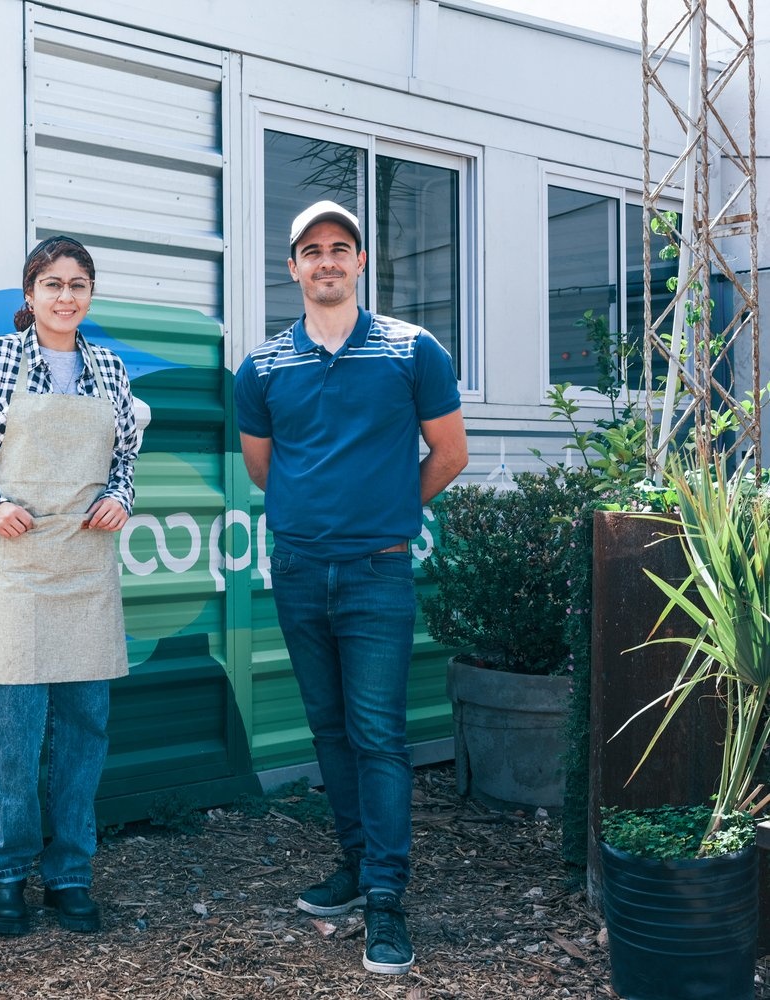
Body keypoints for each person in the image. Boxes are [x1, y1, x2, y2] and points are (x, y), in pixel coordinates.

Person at [233, 201, 468, 975]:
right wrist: (313, 521)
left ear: (361, 262)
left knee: (379, 736)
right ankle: (357, 866)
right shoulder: (263, 367)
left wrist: (391, 513)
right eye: (311, 250)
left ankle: (388, 900)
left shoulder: (412, 350)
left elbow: (449, 452)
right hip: (298, 569)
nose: (326, 260)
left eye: (341, 248)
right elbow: (263, 467)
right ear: (293, 268)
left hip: (377, 570)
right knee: (329, 731)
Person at [0, 235, 140, 937]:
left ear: (89, 294)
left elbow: (127, 456)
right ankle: (10, 875)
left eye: (78, 283)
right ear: (30, 294)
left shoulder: (108, 368)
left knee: (85, 729)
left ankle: (71, 874)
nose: (65, 296)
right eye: (52, 283)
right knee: (13, 736)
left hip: (86, 565)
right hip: (16, 568)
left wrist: (120, 495)